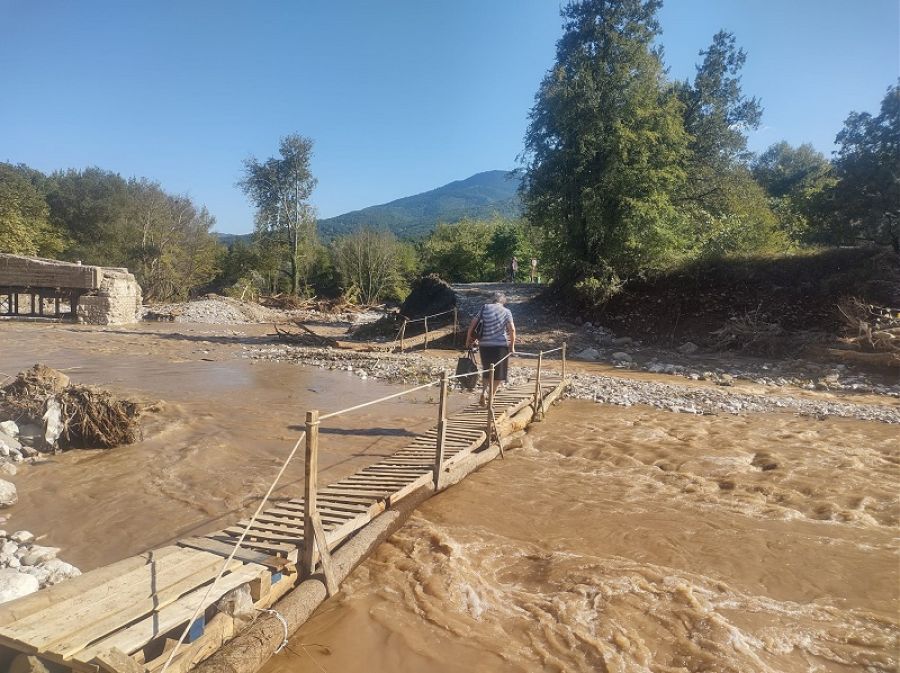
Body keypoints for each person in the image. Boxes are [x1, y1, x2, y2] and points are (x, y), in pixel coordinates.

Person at [465, 292, 516, 406]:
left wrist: (468, 339)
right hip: (500, 347)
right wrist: (512, 346)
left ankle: (483, 392)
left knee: (487, 371)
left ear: (493, 300)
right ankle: (491, 398)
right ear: (503, 302)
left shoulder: (485, 308)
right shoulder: (507, 312)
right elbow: (512, 329)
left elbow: (473, 323)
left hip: (485, 345)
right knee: (498, 375)